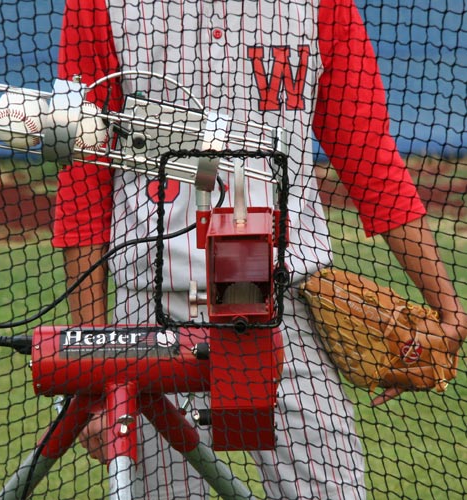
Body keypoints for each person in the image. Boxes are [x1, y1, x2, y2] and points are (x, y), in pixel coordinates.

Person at [52, 0, 466, 498]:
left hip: (281, 303)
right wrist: (95, 366)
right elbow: (83, 179)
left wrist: (447, 307)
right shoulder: (101, 5)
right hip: (150, 307)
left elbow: (369, 157)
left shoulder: (322, 6)